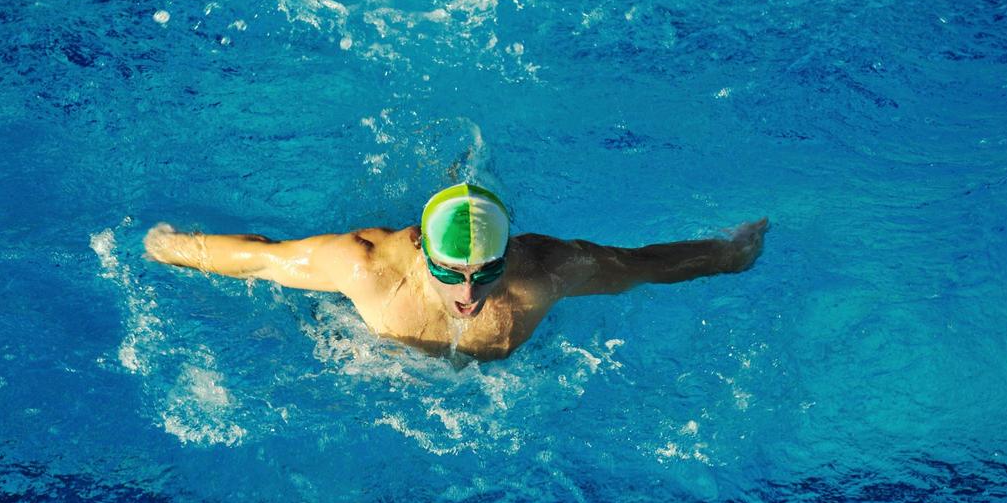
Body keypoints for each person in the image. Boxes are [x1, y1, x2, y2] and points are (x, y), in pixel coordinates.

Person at [144, 183, 768, 361]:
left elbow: (642, 266)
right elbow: (260, 257)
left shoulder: (548, 271)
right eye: (453, 273)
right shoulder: (364, 265)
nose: (468, 294)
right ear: (421, 252)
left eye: (484, 273)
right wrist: (175, 247)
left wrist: (728, 253)